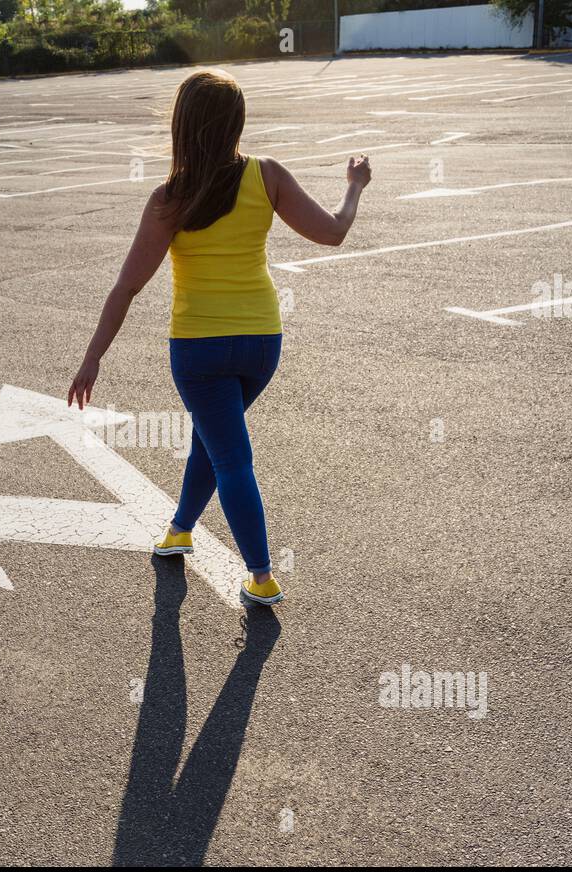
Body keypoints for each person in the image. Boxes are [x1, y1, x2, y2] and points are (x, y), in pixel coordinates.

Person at [67, 68, 372, 607]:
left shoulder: (170, 197)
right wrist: (353, 186)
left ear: (182, 126)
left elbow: (127, 287)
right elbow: (334, 231)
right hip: (260, 344)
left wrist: (92, 358)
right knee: (216, 440)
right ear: (237, 122)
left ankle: (261, 577)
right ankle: (181, 529)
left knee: (231, 456)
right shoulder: (267, 175)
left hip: (199, 348)